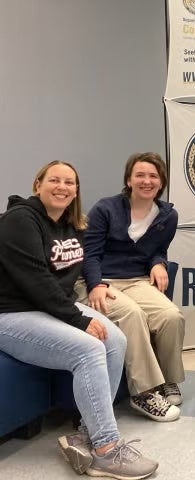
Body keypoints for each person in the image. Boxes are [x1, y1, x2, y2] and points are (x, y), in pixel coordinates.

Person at [0, 161, 158, 479]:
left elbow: (83, 265)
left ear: (76, 191)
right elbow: (36, 281)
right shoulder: (20, 220)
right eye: (54, 180)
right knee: (88, 349)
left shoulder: (71, 224)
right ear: (37, 184)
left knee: (116, 339)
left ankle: (86, 434)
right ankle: (106, 450)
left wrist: (97, 284)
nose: (62, 187)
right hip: (12, 313)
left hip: (48, 307)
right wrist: (78, 320)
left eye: (70, 183)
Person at [78, 152, 183, 423]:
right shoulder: (106, 208)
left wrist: (159, 263)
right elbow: (90, 254)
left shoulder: (168, 216)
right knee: (132, 314)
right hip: (101, 280)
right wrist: (96, 284)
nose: (146, 181)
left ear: (161, 182)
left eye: (153, 176)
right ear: (128, 179)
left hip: (136, 279)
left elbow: (157, 250)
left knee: (171, 316)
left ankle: (169, 380)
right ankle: (144, 393)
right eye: (140, 175)